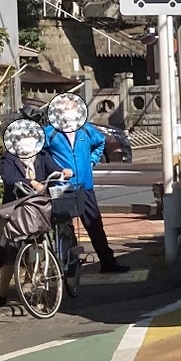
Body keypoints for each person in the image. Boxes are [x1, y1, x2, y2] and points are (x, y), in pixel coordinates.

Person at [42, 93, 130, 273]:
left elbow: (100, 143)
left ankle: (108, 263)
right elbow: (39, 153)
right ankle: (68, 265)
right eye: (64, 109)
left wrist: (91, 160)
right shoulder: (49, 133)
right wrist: (51, 170)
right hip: (61, 187)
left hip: (85, 185)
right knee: (64, 227)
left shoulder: (87, 130)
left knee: (94, 224)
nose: (68, 112)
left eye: (72, 108)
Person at [0, 119, 71, 312]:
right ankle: (2, 294)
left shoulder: (43, 155)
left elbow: (54, 170)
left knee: (39, 249)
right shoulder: (7, 159)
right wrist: (31, 181)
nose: (27, 141)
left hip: (39, 208)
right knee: (10, 254)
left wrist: (63, 172)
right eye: (23, 138)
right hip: (16, 211)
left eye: (30, 137)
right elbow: (10, 179)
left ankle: (37, 290)